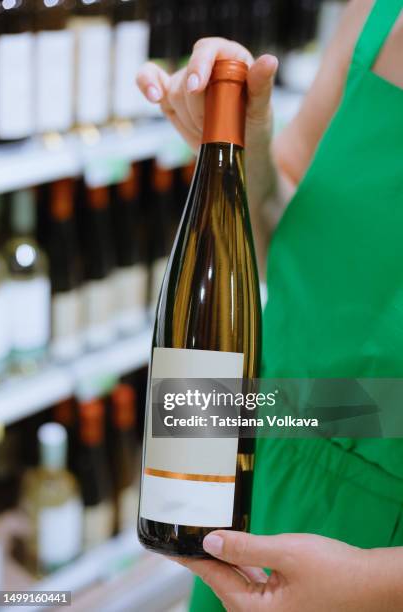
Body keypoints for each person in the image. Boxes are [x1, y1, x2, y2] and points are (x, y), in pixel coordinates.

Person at [137, 0, 403, 609]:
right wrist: (248, 146)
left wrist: (379, 587)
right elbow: (287, 223)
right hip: (269, 454)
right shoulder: (376, 11)